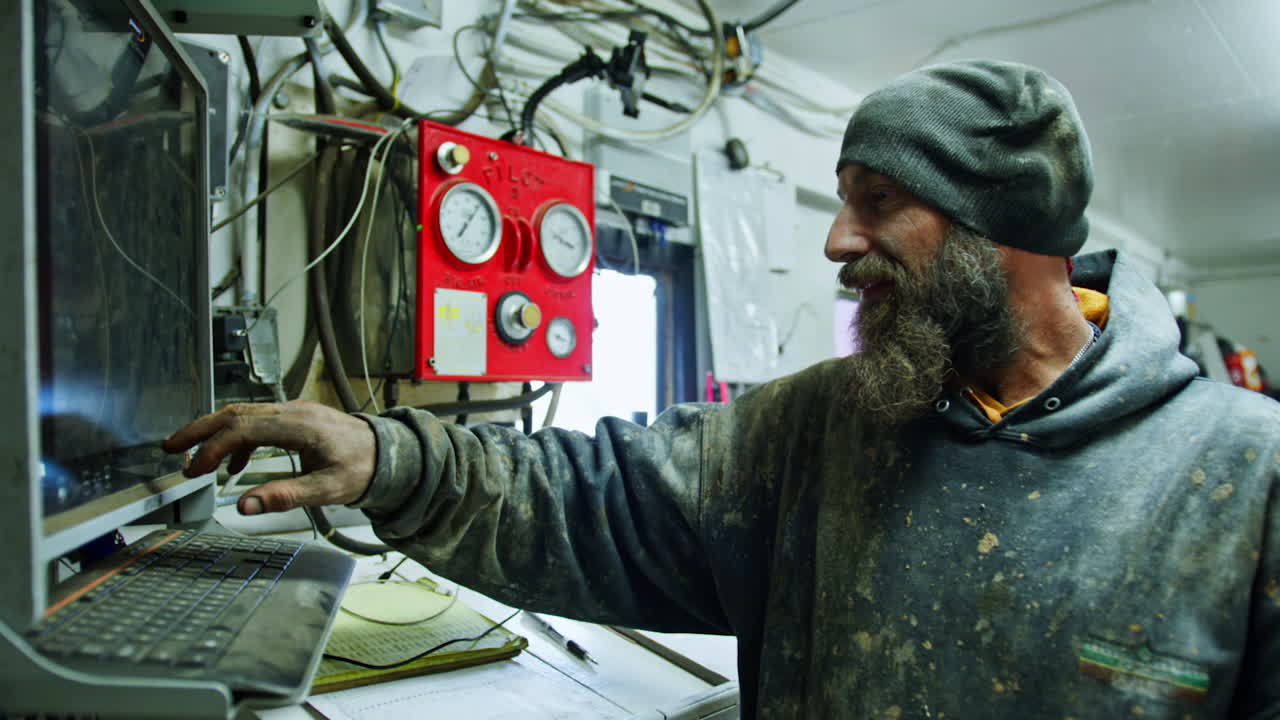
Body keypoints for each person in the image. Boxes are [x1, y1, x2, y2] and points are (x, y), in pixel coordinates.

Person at [165, 60, 1280, 718]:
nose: (839, 241)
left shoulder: (1242, 471)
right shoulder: (816, 427)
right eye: (840, 198)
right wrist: (389, 457)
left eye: (880, 199)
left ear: (1010, 226)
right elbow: (592, 493)